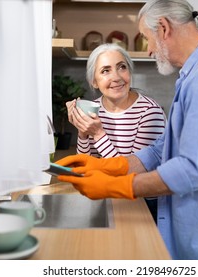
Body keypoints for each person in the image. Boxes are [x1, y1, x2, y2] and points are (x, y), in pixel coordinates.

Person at [56, 0, 198, 260]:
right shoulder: (195, 74)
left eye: (147, 40)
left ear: (165, 28)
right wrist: (109, 167)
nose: (148, 52)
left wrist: (117, 185)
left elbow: (191, 171)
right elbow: (162, 150)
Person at [65, 43, 166, 222]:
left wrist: (98, 134)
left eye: (122, 67)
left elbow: (134, 176)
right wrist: (82, 132)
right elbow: (86, 166)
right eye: (105, 71)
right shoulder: (96, 108)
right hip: (108, 195)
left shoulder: (150, 112)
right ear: (94, 81)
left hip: (143, 206)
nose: (116, 77)